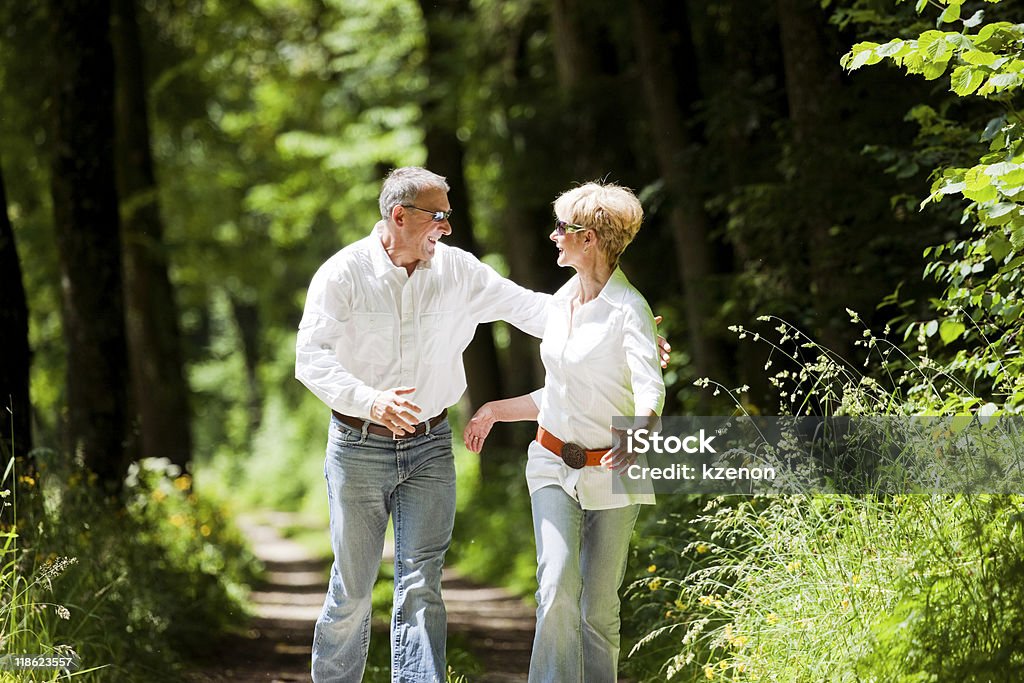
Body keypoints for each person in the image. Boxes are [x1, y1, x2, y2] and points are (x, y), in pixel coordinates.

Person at [295, 167, 670, 682]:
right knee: (355, 589)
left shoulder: (459, 271)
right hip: (359, 445)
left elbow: (537, 311)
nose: (448, 227)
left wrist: (624, 338)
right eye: (439, 216)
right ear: (399, 216)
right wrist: (371, 401)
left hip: (429, 446)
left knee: (421, 584)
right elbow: (310, 358)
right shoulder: (344, 274)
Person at [463, 181, 664, 683]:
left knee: (598, 609)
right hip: (552, 463)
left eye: (562, 229)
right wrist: (494, 410)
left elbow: (650, 389)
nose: (553, 237)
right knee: (555, 588)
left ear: (590, 237)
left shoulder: (628, 309)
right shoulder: (561, 302)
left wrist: (639, 431)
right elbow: (557, 394)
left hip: (615, 471)